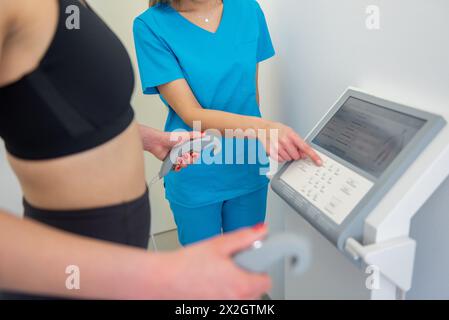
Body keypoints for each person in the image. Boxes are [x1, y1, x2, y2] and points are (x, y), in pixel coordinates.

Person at [0, 0, 270, 299]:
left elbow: (69, 118)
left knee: (247, 282)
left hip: (118, 248)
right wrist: (151, 272)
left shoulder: (67, 10)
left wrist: (141, 137)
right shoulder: (150, 25)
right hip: (77, 261)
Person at [133, 0, 322, 246]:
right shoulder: (150, 26)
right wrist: (265, 129)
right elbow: (192, 114)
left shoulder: (248, 9)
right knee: (203, 278)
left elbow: (250, 94)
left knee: (248, 267)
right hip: (195, 167)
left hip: (247, 163)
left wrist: (262, 139)